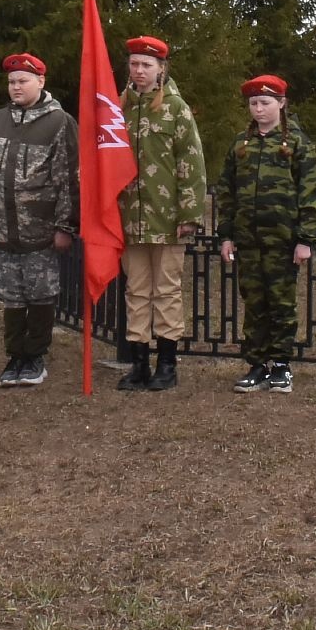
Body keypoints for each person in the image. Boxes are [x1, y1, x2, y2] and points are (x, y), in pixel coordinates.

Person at [0, 53, 78, 388]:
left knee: (41, 294)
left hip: (41, 232)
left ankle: (35, 356)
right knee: (12, 297)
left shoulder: (59, 123)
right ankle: (15, 355)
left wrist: (65, 228)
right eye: (12, 82)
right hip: (3, 231)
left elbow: (68, 182)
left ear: (40, 82)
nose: (16, 87)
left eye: (23, 81)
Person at [216, 76, 316, 394]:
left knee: (280, 303)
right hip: (248, 241)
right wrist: (226, 235)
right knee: (254, 302)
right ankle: (256, 365)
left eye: (265, 102)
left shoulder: (297, 144)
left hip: (283, 240)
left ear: (281, 103)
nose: (259, 108)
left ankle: (280, 366)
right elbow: (226, 193)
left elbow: (312, 193)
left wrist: (305, 239)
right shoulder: (240, 145)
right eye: (253, 103)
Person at [116, 36, 205, 392]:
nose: (139, 71)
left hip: (167, 218)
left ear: (161, 69)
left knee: (166, 291)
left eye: (146, 65)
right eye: (134, 64)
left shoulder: (174, 108)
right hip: (129, 218)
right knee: (136, 291)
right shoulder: (119, 108)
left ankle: (166, 364)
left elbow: (192, 163)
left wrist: (189, 215)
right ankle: (138, 363)